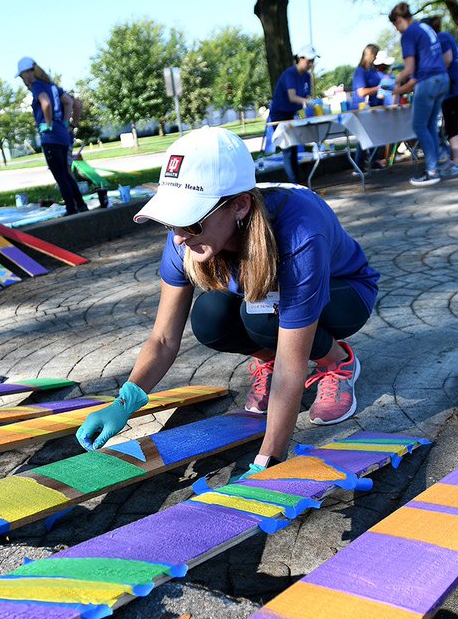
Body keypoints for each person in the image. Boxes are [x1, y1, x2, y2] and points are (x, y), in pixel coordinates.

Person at [74, 127, 380, 473]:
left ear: (240, 205)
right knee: (210, 318)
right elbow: (162, 339)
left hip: (344, 293)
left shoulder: (298, 232)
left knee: (262, 318)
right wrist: (124, 402)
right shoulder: (184, 234)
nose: (177, 238)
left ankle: (337, 363)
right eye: (170, 221)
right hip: (266, 300)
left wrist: (270, 459)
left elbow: (291, 365)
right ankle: (268, 357)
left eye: (190, 220)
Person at [16, 57, 88, 215]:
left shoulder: (36, 85)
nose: (22, 80)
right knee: (66, 173)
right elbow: (70, 102)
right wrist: (66, 123)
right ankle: (81, 205)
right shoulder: (52, 86)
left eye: (22, 76)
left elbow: (46, 103)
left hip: (51, 137)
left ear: (27, 73)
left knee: (60, 175)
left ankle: (71, 209)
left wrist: (48, 123)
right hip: (62, 135)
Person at [390, 3, 448, 186]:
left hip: (428, 82)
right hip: (442, 79)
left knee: (419, 126)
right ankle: (437, 163)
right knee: (430, 125)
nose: (397, 30)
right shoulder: (425, 27)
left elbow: (409, 69)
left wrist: (395, 81)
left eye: (395, 26)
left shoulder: (409, 34)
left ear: (399, 20)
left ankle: (432, 170)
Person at [268, 45, 318, 185]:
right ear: (300, 58)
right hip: (280, 114)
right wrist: (308, 101)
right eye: (308, 60)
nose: (310, 64)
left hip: (292, 114)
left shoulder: (307, 76)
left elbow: (305, 96)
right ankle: (294, 184)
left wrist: (310, 105)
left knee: (294, 148)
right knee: (288, 150)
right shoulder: (290, 74)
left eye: (312, 61)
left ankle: (296, 183)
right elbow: (293, 97)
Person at [427, 16, 458, 178]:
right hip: (456, 86)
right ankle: (455, 159)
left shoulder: (441, 37)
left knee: (451, 126)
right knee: (451, 124)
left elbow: (447, 59)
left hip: (453, 87)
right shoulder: (444, 37)